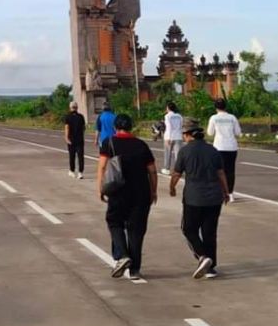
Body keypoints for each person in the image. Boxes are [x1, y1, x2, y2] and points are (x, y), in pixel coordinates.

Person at [97, 114, 157, 281]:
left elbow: (102, 166)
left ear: (116, 127)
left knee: (114, 222)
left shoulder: (109, 143)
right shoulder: (141, 145)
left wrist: (100, 188)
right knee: (136, 230)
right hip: (141, 193)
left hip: (118, 192)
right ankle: (135, 270)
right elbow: (152, 170)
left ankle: (122, 255)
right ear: (131, 127)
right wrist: (154, 191)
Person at [170, 118, 230, 279]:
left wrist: (172, 187)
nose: (183, 137)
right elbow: (221, 173)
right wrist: (226, 192)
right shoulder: (213, 150)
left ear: (189, 135)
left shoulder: (184, 151)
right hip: (214, 197)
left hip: (193, 198)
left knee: (189, 229)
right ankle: (210, 269)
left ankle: (203, 256)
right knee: (209, 231)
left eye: (184, 134)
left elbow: (176, 173)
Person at [207, 98, 242, 200]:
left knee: (219, 171)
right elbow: (238, 132)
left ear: (215, 107)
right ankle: (230, 194)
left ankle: (221, 192)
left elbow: (210, 133)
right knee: (230, 171)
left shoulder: (214, 118)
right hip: (231, 147)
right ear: (225, 106)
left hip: (219, 147)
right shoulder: (232, 118)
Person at [64, 100, 86, 179]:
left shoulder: (67, 117)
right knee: (80, 156)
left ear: (70, 108)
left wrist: (66, 138)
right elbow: (83, 128)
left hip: (71, 139)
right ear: (77, 108)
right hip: (79, 139)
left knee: (72, 156)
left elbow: (67, 128)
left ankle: (72, 171)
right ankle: (80, 172)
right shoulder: (81, 116)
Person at [162, 101, 184, 175]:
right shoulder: (179, 116)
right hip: (178, 136)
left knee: (168, 154)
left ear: (168, 108)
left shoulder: (167, 116)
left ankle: (167, 169)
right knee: (178, 155)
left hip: (169, 137)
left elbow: (169, 127)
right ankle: (178, 170)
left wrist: (169, 138)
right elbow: (181, 126)